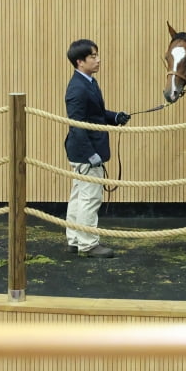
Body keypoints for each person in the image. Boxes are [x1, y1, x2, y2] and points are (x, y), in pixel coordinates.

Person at [63, 38, 130, 258]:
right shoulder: (77, 89)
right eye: (93, 56)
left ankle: (74, 239)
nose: (98, 60)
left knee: (79, 195)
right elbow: (78, 125)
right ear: (80, 62)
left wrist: (116, 117)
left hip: (84, 150)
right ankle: (88, 244)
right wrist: (91, 154)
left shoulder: (88, 82)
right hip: (86, 152)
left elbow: (96, 115)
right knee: (90, 198)